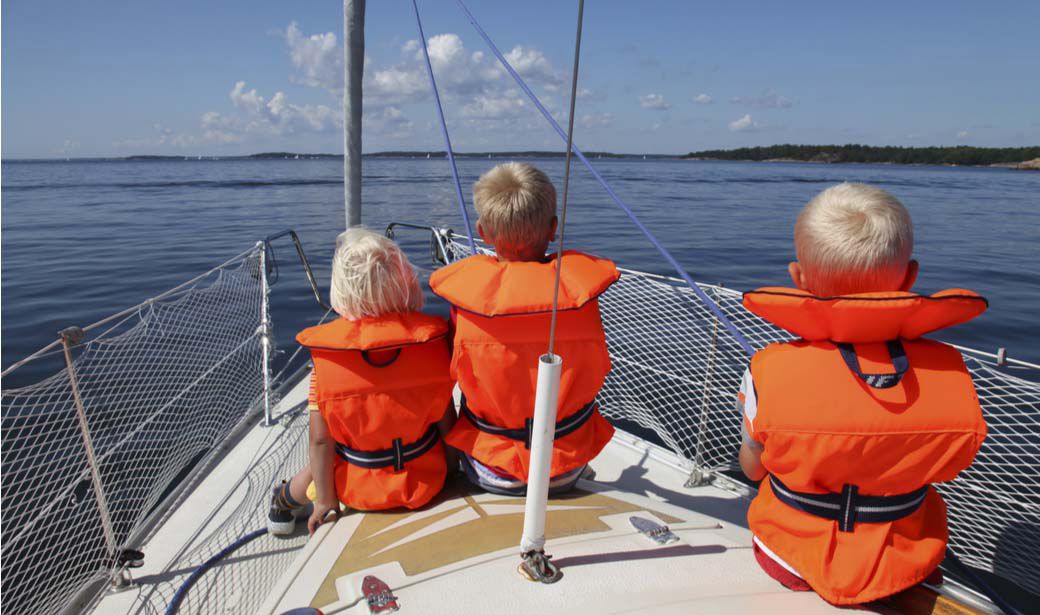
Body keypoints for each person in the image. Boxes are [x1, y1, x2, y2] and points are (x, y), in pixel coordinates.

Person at [738, 182, 988, 604]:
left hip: (789, 558)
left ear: (798, 278)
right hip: (903, 561)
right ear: (910, 276)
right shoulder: (948, 370)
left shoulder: (766, 367)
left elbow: (753, 469)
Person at [429, 162, 619, 496]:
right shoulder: (582, 298)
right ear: (553, 229)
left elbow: (451, 373)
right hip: (566, 467)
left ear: (483, 232)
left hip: (490, 469)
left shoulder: (465, 303)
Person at [268, 228, 455, 536]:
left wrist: (326, 501)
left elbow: (320, 440)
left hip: (358, 488)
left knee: (318, 468)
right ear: (404, 283)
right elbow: (446, 420)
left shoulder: (330, 361)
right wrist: (451, 472)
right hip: (426, 480)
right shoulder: (429, 346)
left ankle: (284, 501)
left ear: (342, 291)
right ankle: (286, 498)